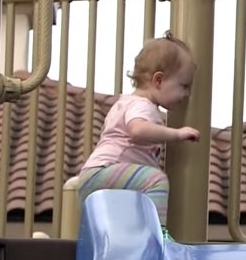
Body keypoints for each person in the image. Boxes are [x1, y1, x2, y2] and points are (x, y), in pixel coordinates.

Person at [77, 34, 201, 240]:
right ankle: (157, 234)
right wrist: (177, 134)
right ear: (158, 80)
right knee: (156, 181)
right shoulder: (141, 105)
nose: (186, 94)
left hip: (98, 175)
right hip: (104, 172)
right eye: (184, 86)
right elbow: (138, 130)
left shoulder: (126, 103)